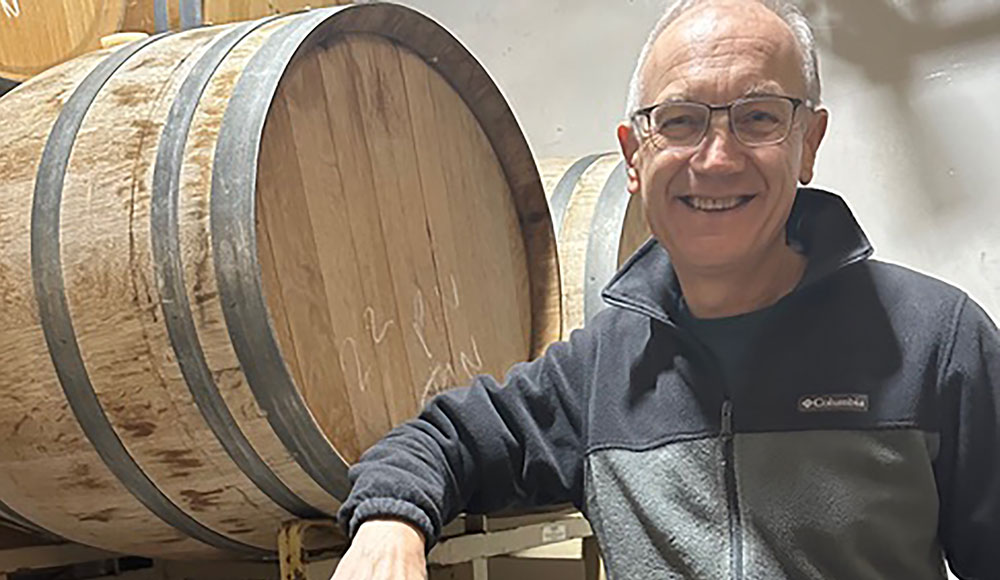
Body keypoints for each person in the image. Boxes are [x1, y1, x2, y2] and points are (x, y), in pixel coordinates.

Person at [331, 0, 1000, 578]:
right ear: (633, 155)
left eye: (759, 117)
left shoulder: (937, 343)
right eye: (679, 121)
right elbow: (445, 439)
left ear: (808, 144)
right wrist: (391, 522)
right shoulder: (599, 372)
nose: (716, 157)